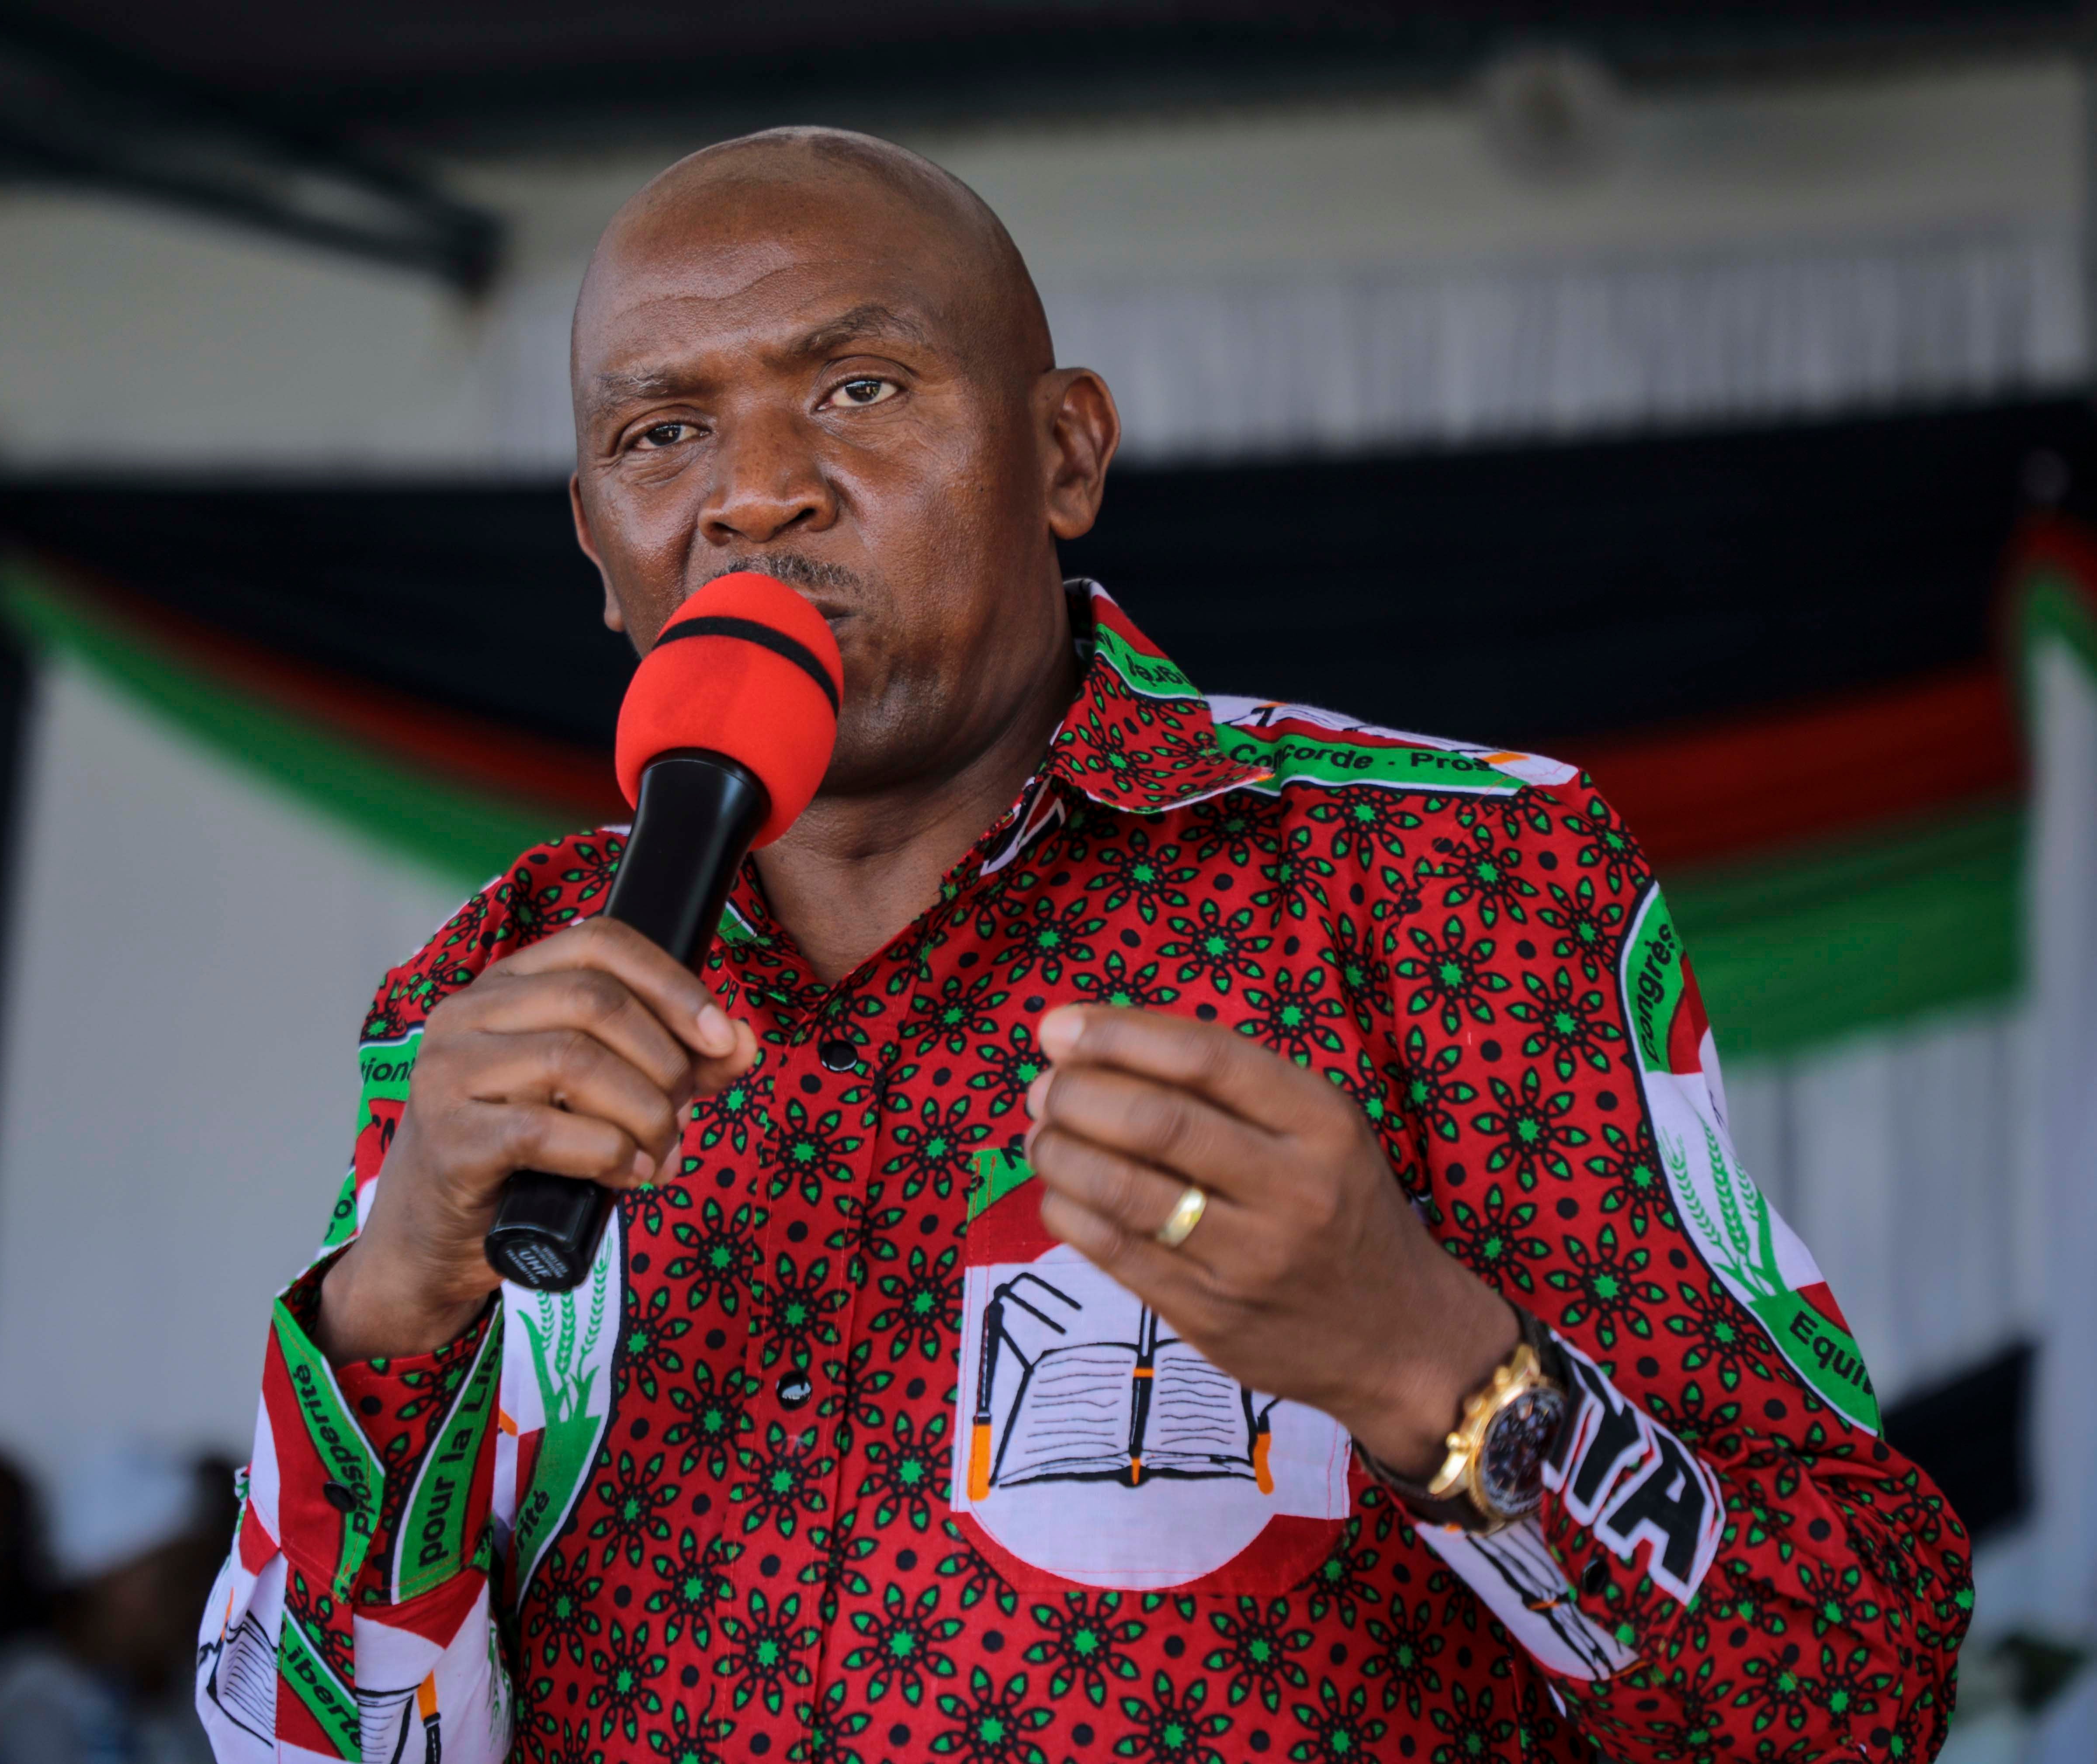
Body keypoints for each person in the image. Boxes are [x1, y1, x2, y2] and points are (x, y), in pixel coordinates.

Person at [194, 128, 1968, 1764]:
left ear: (1064, 453)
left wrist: (1419, 1356)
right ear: (596, 545)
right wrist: (387, 1311)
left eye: (857, 387)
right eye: (660, 435)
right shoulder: (497, 986)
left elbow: (1844, 1686)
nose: (751, 496)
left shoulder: (1437, 875)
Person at [0, 1443, 225, 1764]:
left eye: (201, 1574)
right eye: (174, 1576)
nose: (195, 1596)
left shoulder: (189, 1704)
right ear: (101, 1578)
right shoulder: (32, 1703)